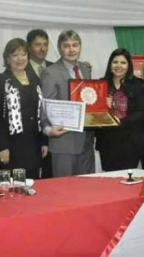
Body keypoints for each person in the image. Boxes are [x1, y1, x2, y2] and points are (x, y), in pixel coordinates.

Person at [0, 38, 47, 179]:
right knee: (11, 188)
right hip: (11, 145)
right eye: (15, 55)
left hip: (33, 143)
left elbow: (43, 112)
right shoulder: (0, 80)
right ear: (7, 59)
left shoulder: (36, 80)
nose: (20, 59)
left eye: (23, 54)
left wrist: (44, 141)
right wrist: (2, 147)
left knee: (33, 186)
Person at [41, 30, 94, 177]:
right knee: (65, 191)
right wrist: (47, 130)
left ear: (80, 47)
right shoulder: (50, 72)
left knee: (87, 189)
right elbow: (45, 105)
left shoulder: (85, 69)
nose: (71, 50)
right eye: (66, 46)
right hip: (64, 142)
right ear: (59, 48)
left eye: (75, 45)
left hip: (87, 142)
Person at [95, 49, 144, 171]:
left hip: (130, 142)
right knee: (109, 179)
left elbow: (143, 112)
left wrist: (122, 121)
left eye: (123, 62)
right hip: (107, 141)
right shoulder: (100, 84)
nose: (119, 66)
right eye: (115, 62)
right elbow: (94, 110)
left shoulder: (139, 85)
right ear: (110, 65)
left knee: (126, 179)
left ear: (129, 65)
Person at [25, 29, 53, 179]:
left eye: (45, 45)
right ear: (29, 47)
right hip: (31, 133)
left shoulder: (56, 67)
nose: (42, 49)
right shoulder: (20, 69)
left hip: (52, 132)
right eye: (37, 45)